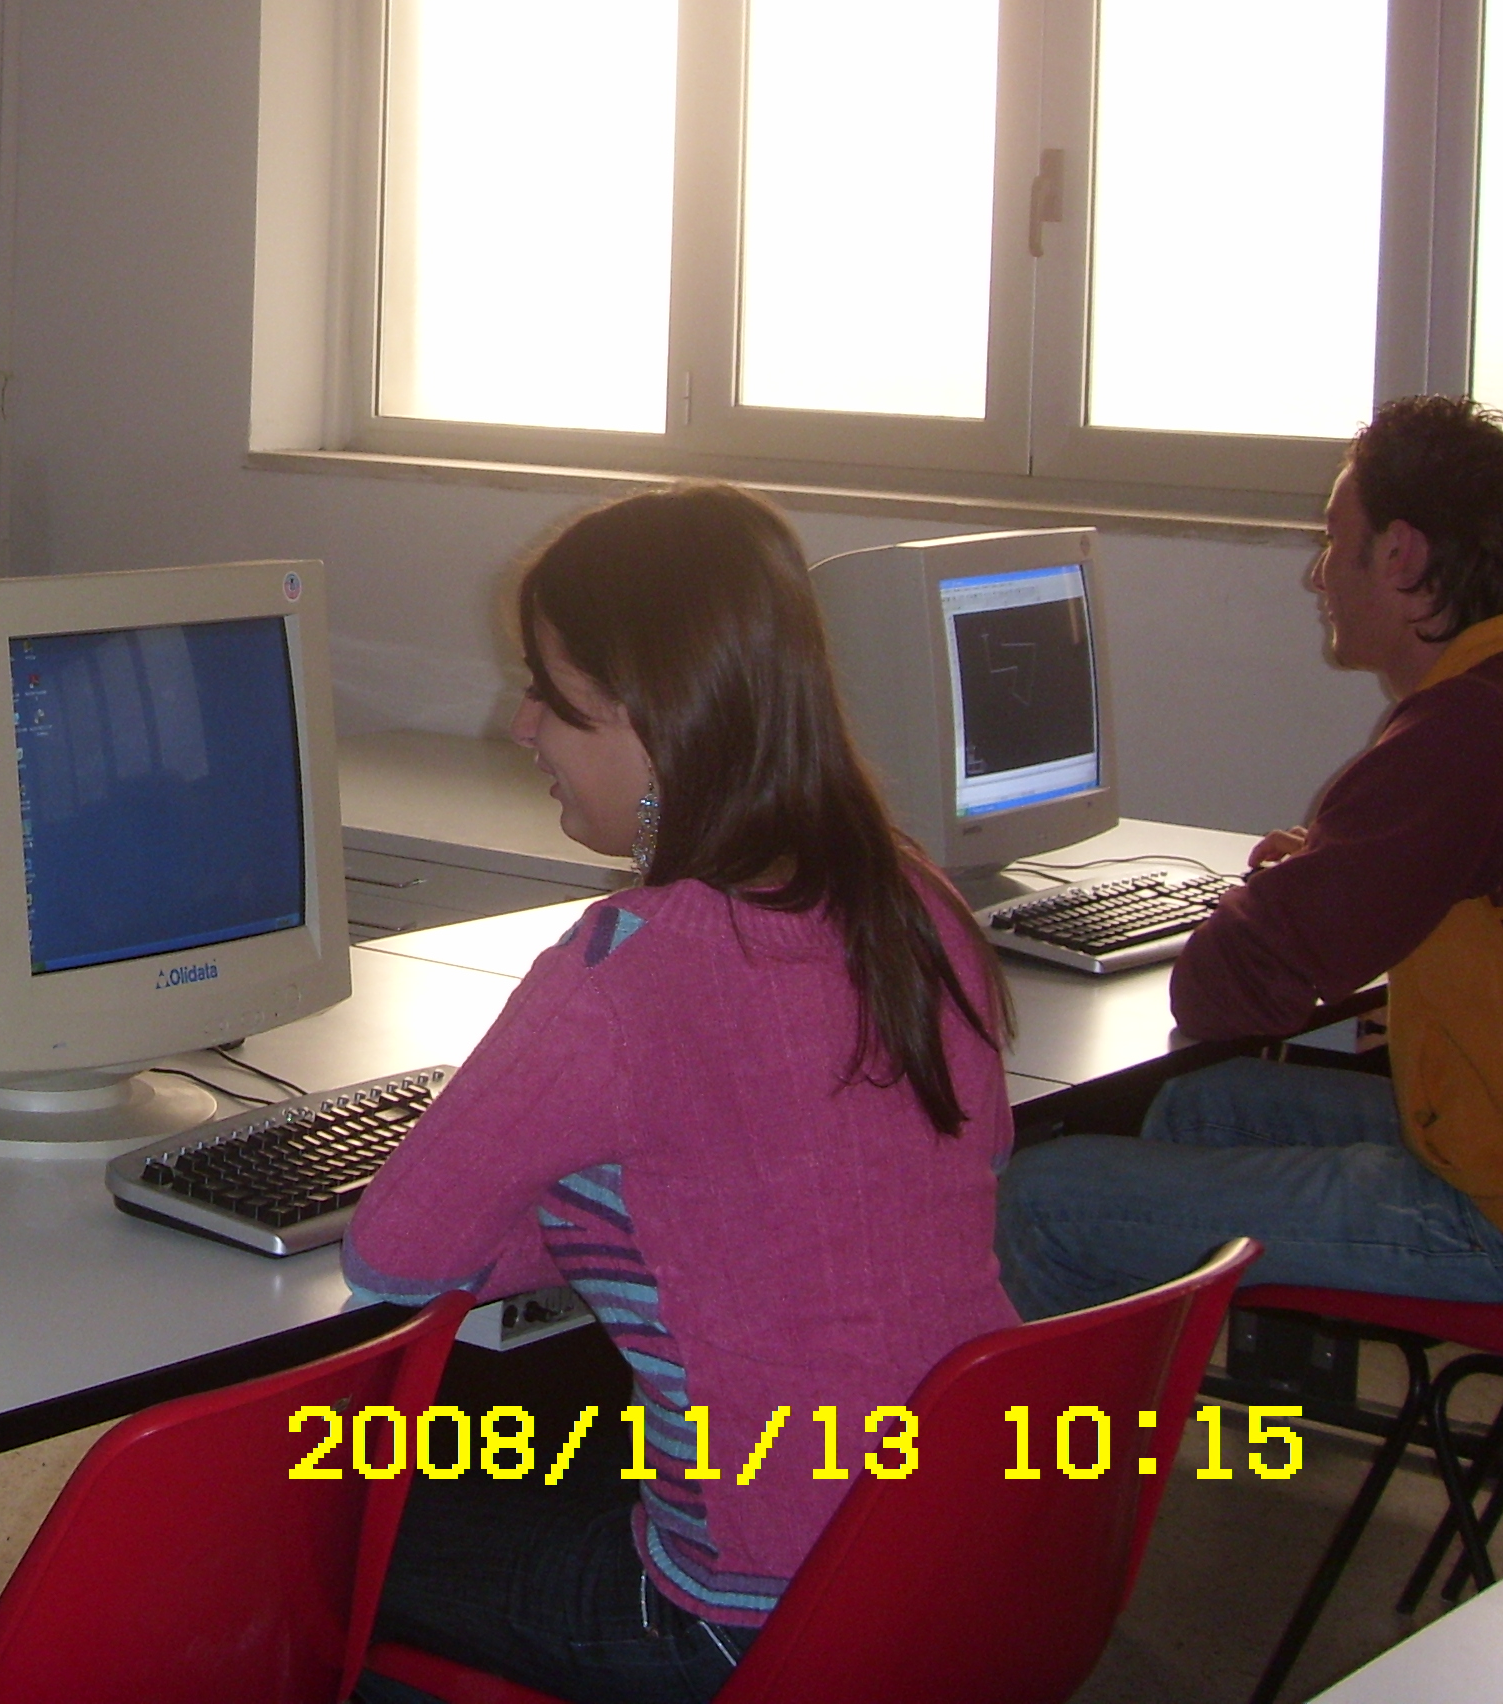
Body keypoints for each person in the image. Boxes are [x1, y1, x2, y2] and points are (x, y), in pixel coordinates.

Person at [346, 484, 1016, 1704]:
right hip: (968, 1557)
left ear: (660, 716)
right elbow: (940, 1171)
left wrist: (586, 1211)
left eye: (553, 696)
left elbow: (397, 1255)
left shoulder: (626, 968)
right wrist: (649, 1207)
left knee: (312, 1523)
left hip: (743, 1619)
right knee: (544, 1452)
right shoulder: (915, 905)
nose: (522, 727)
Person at [998, 396, 1503, 1321]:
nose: (1318, 573)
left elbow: (1221, 993)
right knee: (1192, 1108)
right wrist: (1346, 866)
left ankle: (1065, 1419)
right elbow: (1464, 883)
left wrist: (1295, 883)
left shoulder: (1455, 741)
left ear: (1400, 555)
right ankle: (1167, 1387)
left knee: (1041, 1198)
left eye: (1335, 541)